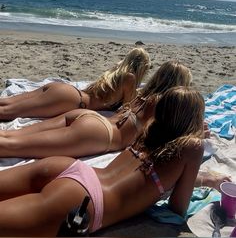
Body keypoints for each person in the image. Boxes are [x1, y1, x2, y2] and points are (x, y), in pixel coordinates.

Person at [0, 87, 221, 237]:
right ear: (193, 120)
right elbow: (178, 207)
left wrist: (203, 179)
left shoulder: (149, 132)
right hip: (86, 200)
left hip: (70, 168)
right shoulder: (192, 147)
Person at [0, 61, 192, 159]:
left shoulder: (142, 95)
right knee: (12, 147)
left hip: (87, 117)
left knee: (13, 137)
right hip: (100, 134)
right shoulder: (162, 104)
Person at [0, 47, 150, 120]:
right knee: (8, 112)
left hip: (65, 91)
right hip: (72, 101)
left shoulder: (115, 72)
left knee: (6, 103)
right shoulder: (129, 78)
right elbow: (128, 108)